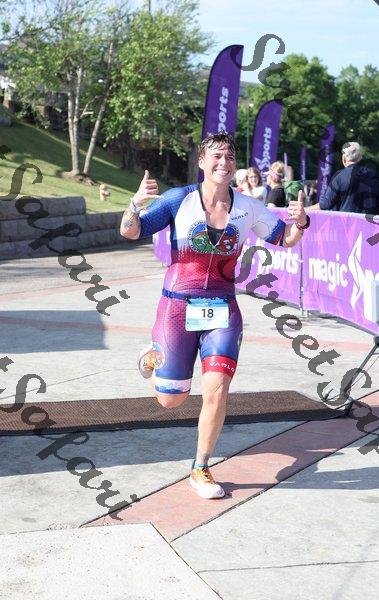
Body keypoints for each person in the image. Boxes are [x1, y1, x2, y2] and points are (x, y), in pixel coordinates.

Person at [120, 133, 309, 500]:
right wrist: (134, 204)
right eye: (217, 156)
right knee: (170, 400)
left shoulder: (248, 207)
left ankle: (201, 467)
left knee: (218, 389)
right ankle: (152, 357)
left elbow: (283, 238)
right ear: (202, 162)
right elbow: (131, 231)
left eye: (230, 157)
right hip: (176, 306)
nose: (224, 162)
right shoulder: (179, 199)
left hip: (222, 309)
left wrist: (300, 224)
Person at [309, 142, 379, 214]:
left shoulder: (339, 176)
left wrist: (306, 209)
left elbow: (326, 204)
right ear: (360, 158)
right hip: (369, 223)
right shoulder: (373, 175)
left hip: (347, 223)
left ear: (344, 158)